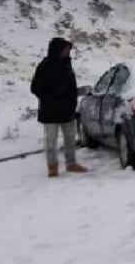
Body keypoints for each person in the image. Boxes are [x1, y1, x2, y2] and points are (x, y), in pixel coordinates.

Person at [30, 37, 88, 177]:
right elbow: (35, 88)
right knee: (51, 140)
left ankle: (71, 163)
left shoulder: (68, 65)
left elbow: (71, 86)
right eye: (65, 49)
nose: (67, 52)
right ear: (57, 50)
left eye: (68, 49)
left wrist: (73, 100)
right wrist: (51, 97)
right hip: (50, 111)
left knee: (70, 138)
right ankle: (52, 167)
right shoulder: (45, 66)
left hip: (67, 110)